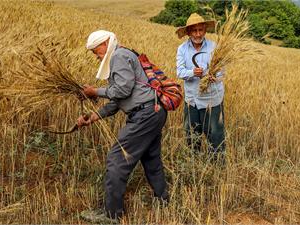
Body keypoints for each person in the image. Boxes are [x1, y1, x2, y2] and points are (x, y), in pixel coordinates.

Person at [77, 30, 169, 223]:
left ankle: (112, 214)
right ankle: (163, 201)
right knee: (151, 159)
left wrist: (95, 91)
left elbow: (123, 89)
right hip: (153, 112)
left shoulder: (118, 55)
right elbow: (118, 99)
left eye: (97, 52)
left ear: (106, 43)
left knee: (116, 159)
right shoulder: (123, 55)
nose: (96, 57)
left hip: (144, 115)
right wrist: (93, 117)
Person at [176, 13, 226, 157]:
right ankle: (194, 164)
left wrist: (213, 77)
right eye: (194, 31)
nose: (198, 34)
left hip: (212, 99)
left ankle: (217, 166)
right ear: (188, 32)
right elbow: (180, 72)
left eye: (201, 30)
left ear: (205, 30)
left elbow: (222, 72)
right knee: (192, 135)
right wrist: (193, 72)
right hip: (192, 100)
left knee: (215, 136)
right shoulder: (182, 49)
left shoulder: (214, 47)